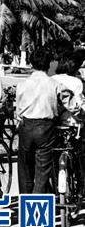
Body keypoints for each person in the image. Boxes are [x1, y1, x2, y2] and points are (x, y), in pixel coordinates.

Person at [15, 47, 80, 194]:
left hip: (26, 126)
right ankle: (37, 203)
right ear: (49, 64)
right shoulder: (55, 84)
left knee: (25, 168)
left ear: (31, 64)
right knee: (42, 170)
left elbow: (18, 110)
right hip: (45, 128)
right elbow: (71, 105)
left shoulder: (22, 84)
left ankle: (25, 201)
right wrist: (79, 114)